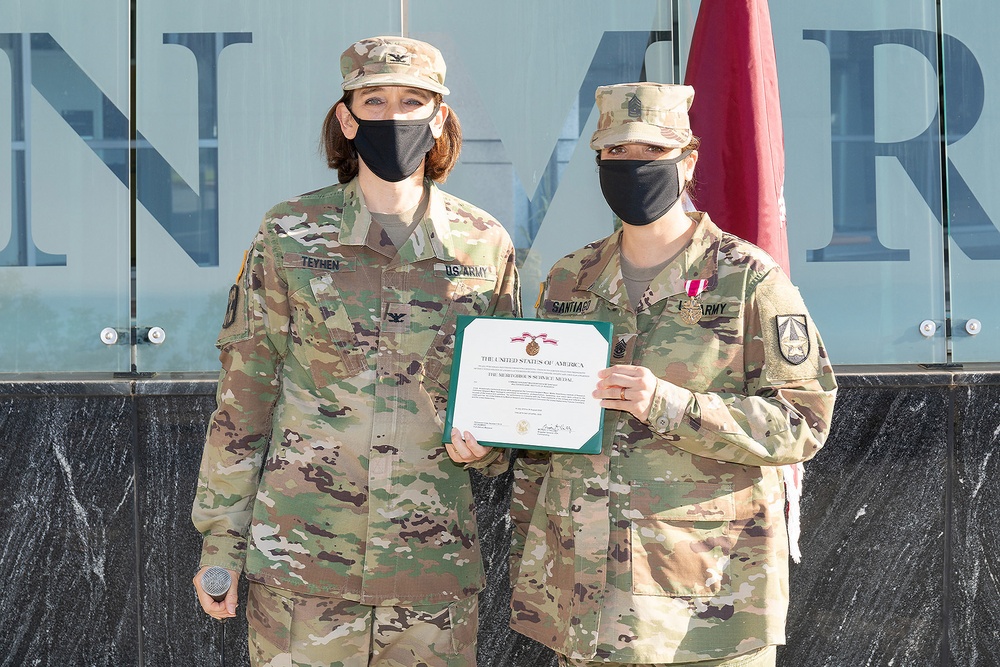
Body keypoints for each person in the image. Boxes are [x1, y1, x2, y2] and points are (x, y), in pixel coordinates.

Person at [190, 35, 520, 667]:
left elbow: (504, 395)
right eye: (375, 100)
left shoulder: (484, 245)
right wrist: (220, 546)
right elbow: (244, 401)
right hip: (302, 565)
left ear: (439, 119)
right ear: (347, 118)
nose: (394, 117)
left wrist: (494, 445)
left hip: (429, 572)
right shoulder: (289, 235)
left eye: (413, 101)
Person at [505, 83, 837, 666]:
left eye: (650, 153)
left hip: (705, 601)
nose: (632, 167)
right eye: (615, 154)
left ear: (688, 160)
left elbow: (802, 423)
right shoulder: (569, 278)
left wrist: (667, 402)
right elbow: (544, 432)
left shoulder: (746, 279)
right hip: (586, 594)